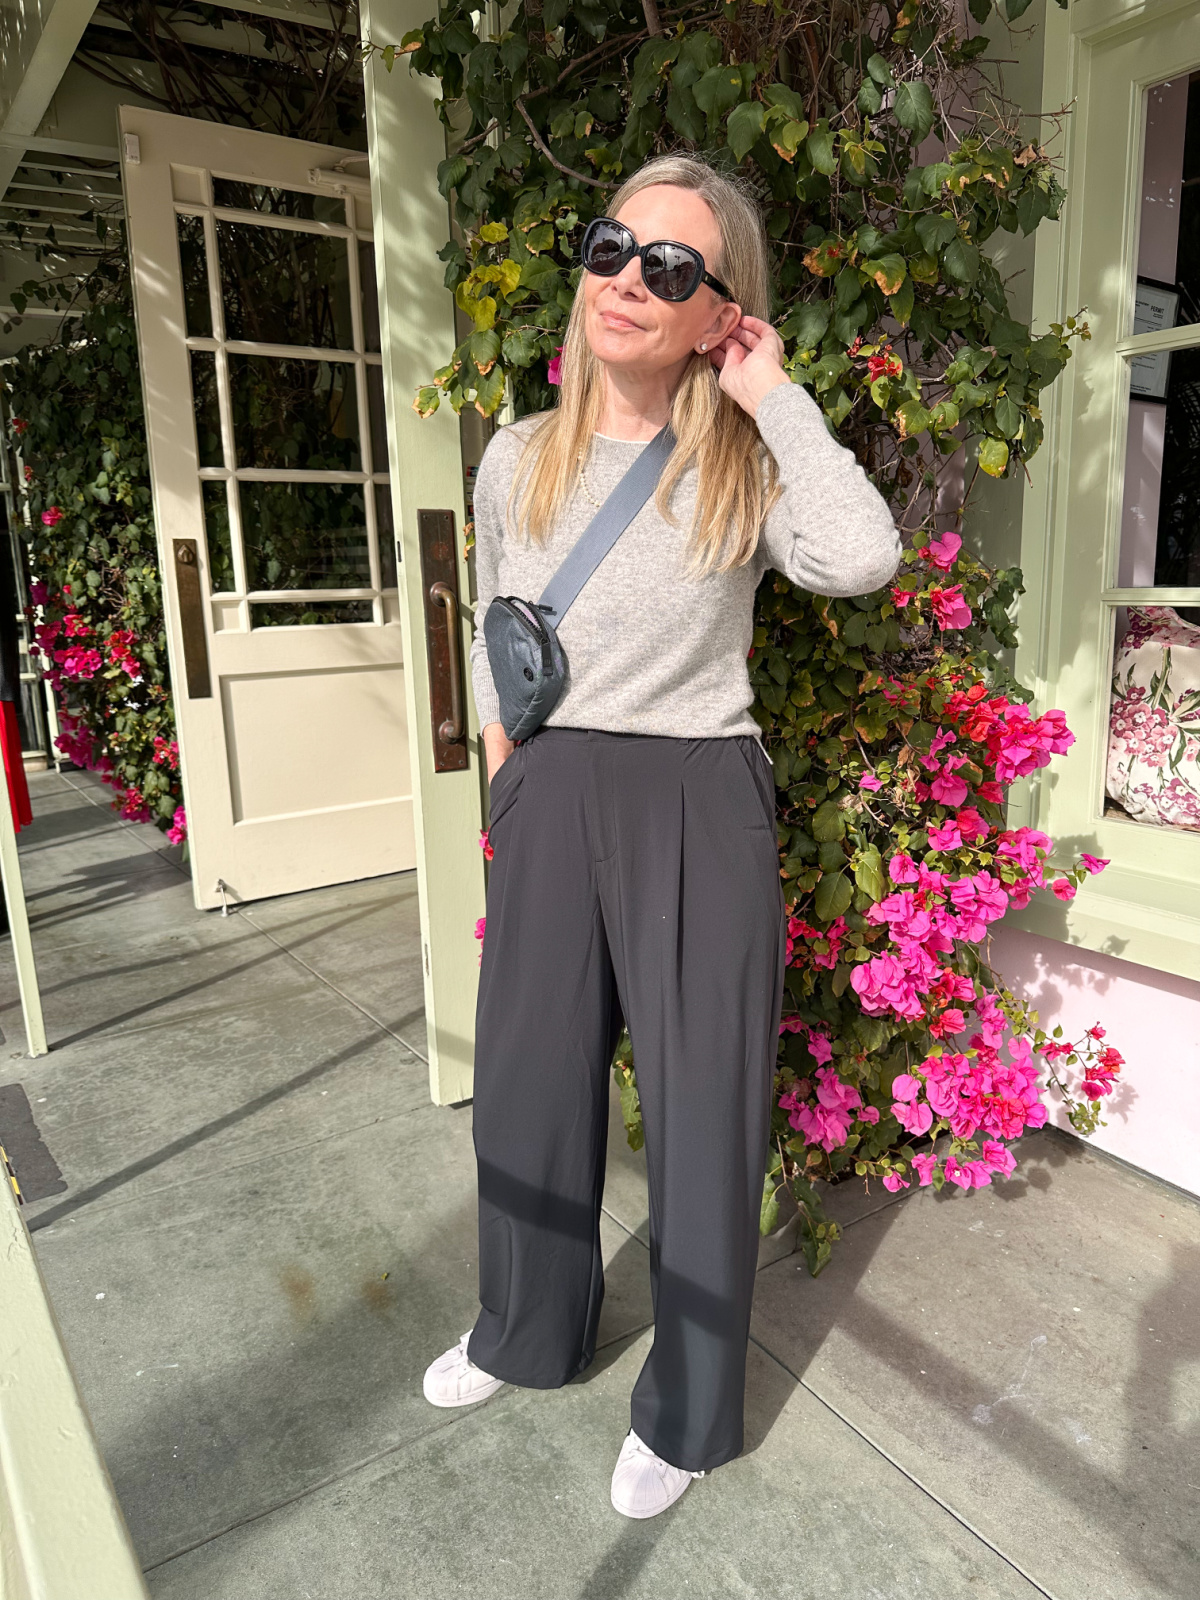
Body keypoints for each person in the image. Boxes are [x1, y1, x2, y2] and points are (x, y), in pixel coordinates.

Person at [423, 153, 901, 1519]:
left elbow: (860, 557)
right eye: (612, 246)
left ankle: (688, 1416)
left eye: (674, 268)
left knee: (700, 1121)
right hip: (556, 791)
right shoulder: (518, 451)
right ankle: (523, 1328)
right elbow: (499, 628)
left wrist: (777, 393)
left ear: (718, 311)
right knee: (524, 1083)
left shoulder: (744, 458)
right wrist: (511, 782)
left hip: (697, 790)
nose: (629, 279)